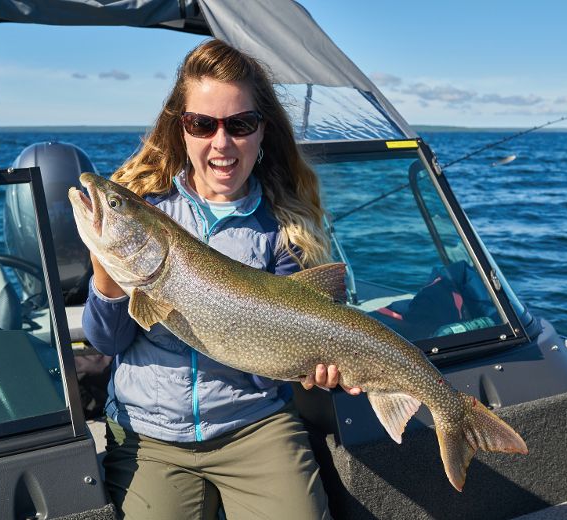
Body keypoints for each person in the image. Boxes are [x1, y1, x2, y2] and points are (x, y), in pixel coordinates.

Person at [82, 39, 359, 519]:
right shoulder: (150, 210)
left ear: (262, 132)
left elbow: (260, 367)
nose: (222, 142)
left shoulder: (283, 229)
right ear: (181, 129)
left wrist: (311, 363)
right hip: (151, 432)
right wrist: (106, 273)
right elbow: (108, 340)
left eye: (241, 125)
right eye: (202, 124)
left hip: (254, 424)